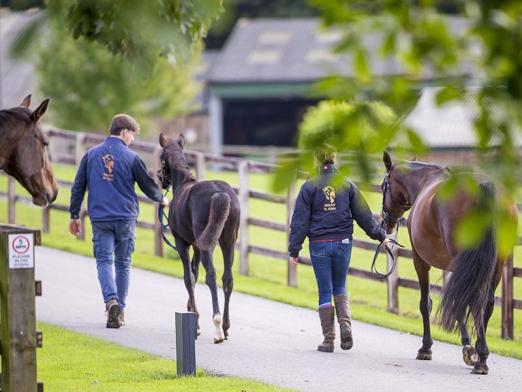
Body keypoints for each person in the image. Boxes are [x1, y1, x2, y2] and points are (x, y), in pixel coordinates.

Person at [69, 114, 169, 329]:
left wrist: (74, 215)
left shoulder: (91, 155)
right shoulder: (132, 158)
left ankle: (110, 301)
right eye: (132, 134)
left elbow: (78, 187)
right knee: (123, 264)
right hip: (125, 218)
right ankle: (119, 311)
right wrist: (162, 199)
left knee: (104, 261)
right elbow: (147, 185)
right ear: (124, 132)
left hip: (100, 218)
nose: (132, 139)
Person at [288, 145, 389, 353]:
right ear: (334, 160)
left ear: (317, 160)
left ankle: (329, 340)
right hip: (343, 243)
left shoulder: (309, 186)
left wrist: (294, 250)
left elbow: (300, 221)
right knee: (340, 287)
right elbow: (364, 215)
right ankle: (345, 325)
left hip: (319, 244)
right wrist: (380, 236)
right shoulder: (347, 183)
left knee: (325, 291)